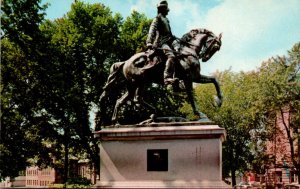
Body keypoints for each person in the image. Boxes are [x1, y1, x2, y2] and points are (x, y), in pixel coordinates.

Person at [146, 0, 179, 85]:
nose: (168, 11)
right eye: (166, 9)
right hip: (161, 42)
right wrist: (149, 42)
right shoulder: (158, 18)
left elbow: (169, 33)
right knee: (171, 56)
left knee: (179, 53)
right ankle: (167, 78)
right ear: (163, 9)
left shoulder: (166, 19)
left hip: (169, 41)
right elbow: (152, 29)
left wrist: (175, 40)